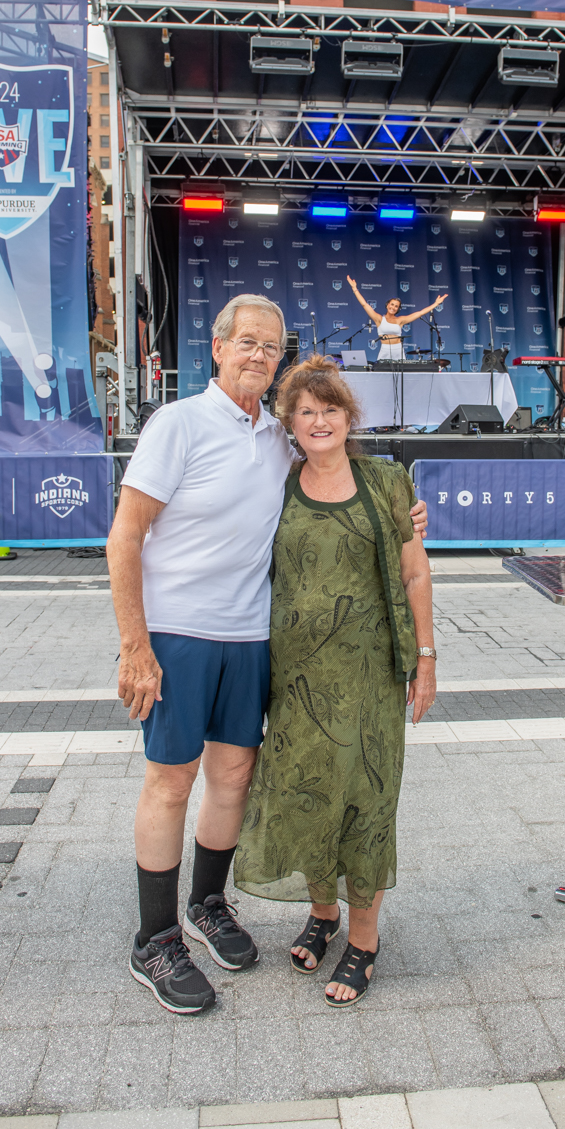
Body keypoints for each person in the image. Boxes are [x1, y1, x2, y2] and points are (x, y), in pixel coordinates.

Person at [107, 294, 428, 1016]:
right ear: (217, 348)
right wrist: (134, 645)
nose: (258, 354)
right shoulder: (177, 423)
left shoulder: (278, 439)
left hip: (252, 637)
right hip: (180, 634)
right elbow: (124, 535)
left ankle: (206, 904)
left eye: (271, 345)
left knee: (232, 777)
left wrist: (405, 509)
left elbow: (338, 474)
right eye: (247, 341)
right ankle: (154, 939)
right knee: (170, 782)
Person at [234, 355, 436, 1007]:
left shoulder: (387, 482)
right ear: (289, 424)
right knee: (308, 795)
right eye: (305, 412)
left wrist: (426, 657)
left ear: (349, 418)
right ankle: (323, 914)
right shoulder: (277, 485)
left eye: (329, 410)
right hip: (295, 679)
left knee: (366, 800)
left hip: (370, 676)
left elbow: (414, 572)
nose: (318, 421)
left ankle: (364, 939)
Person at [345, 280, 448, 362]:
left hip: (398, 350)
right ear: (387, 305)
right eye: (392, 304)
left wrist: (436, 304)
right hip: (385, 350)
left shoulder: (400, 320)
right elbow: (364, 305)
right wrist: (354, 288)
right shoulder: (379, 319)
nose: (393, 307)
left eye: (396, 306)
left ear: (398, 309)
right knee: (382, 374)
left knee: (400, 376)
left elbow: (420, 313)